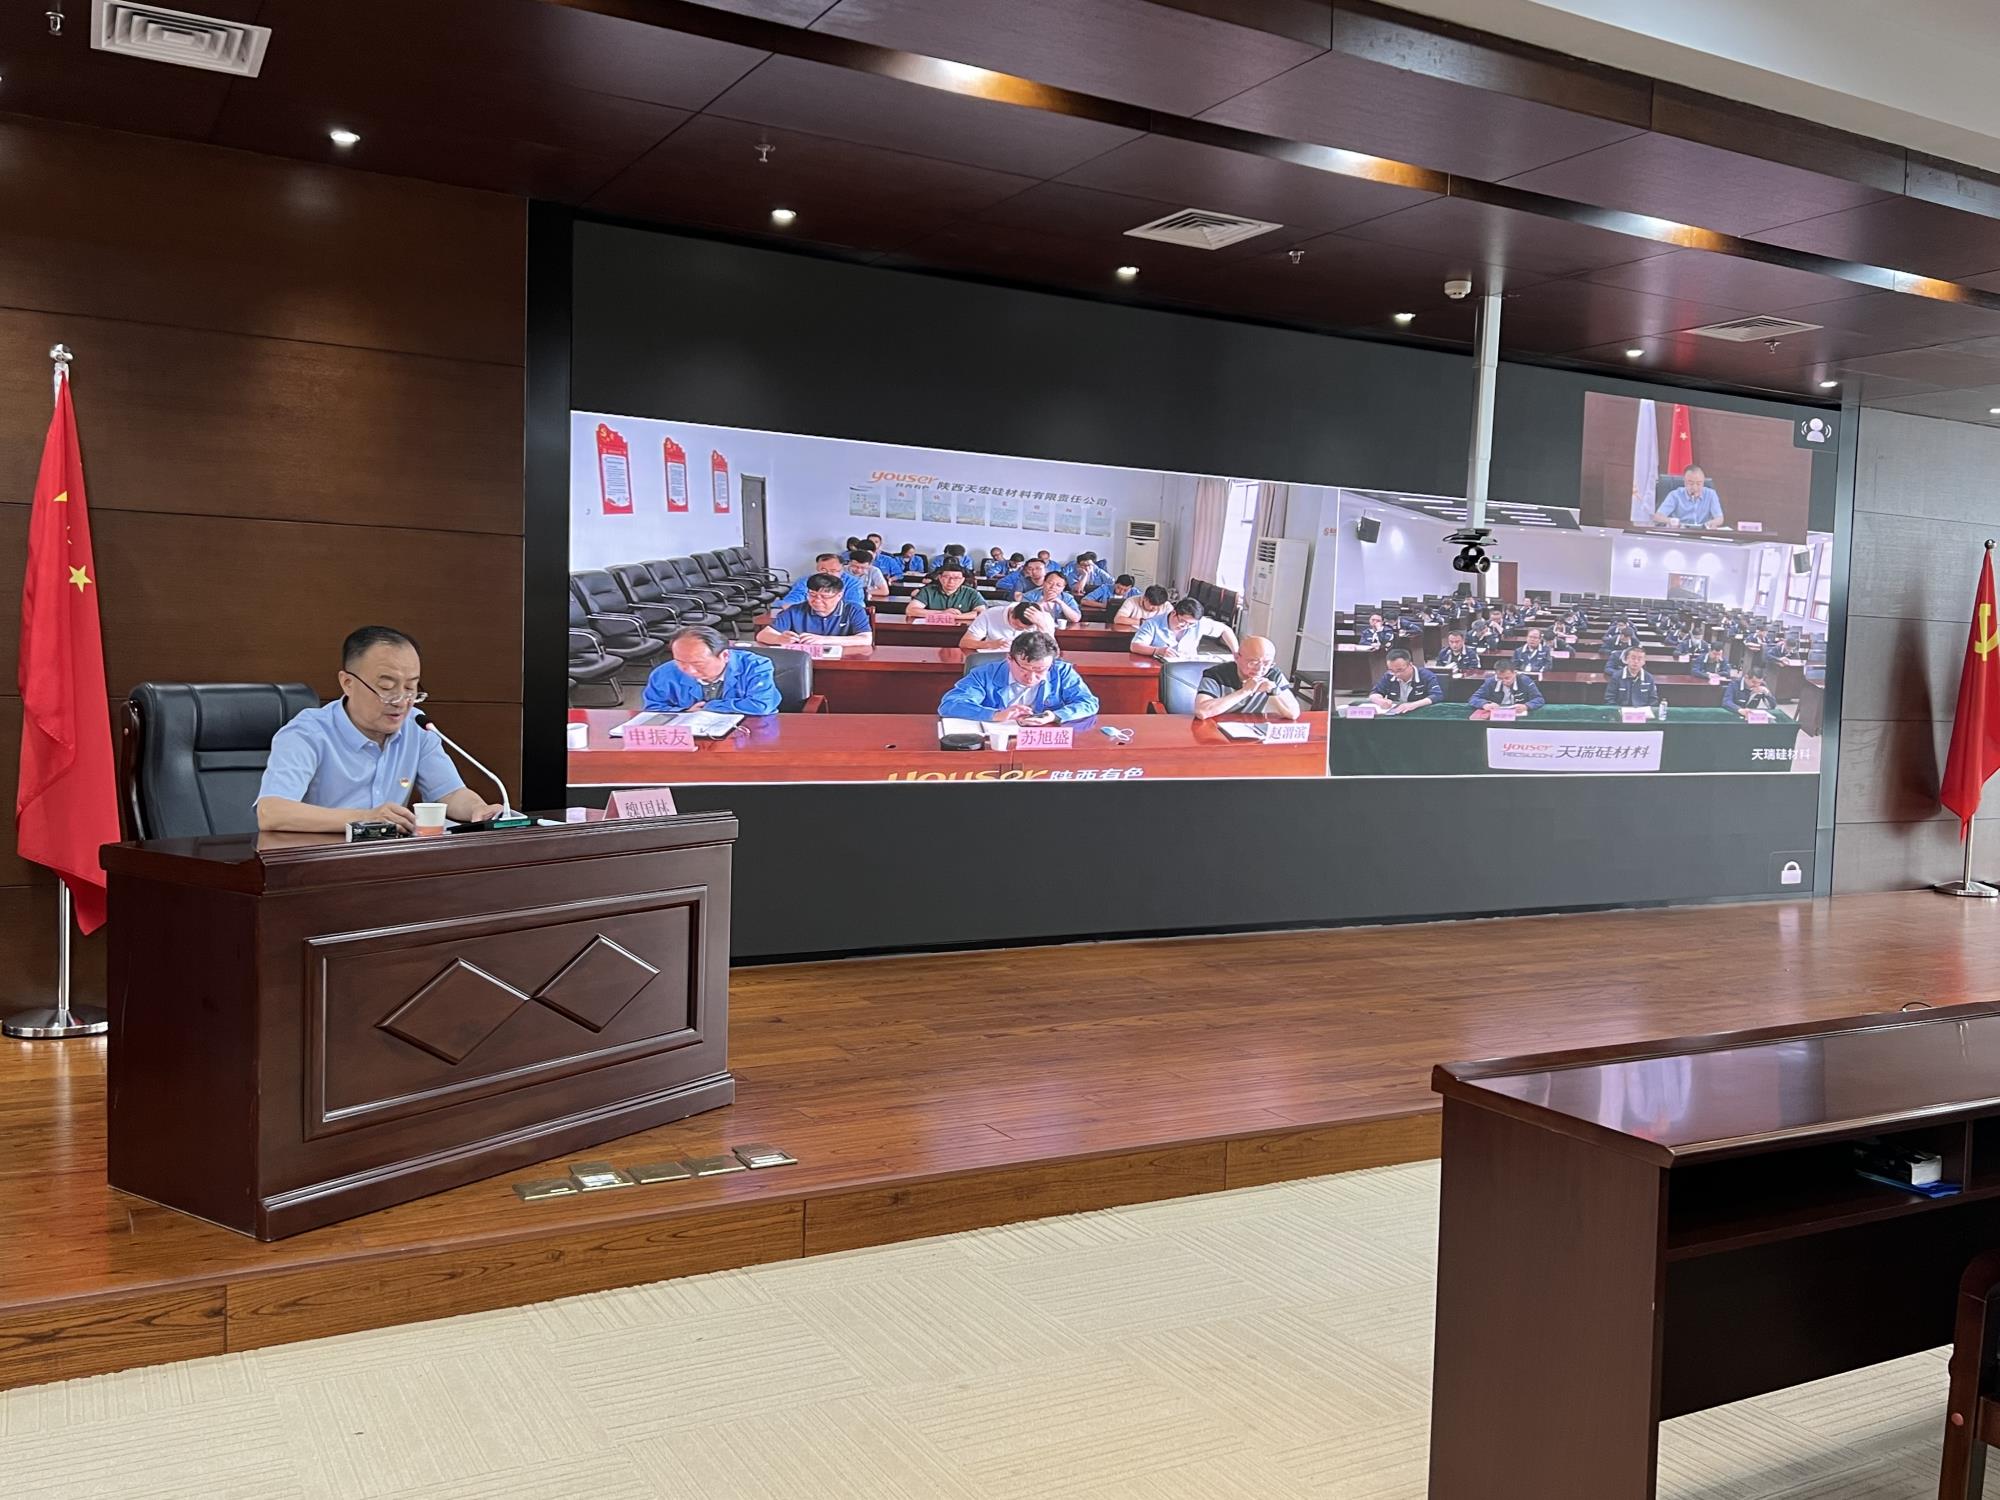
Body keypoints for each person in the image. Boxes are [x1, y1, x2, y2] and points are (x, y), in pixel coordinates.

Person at [255, 626, 504, 834]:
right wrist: (366, 818)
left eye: (411, 688)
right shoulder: (307, 733)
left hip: (387, 862)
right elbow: (272, 812)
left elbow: (450, 793)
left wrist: (478, 809)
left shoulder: (417, 727)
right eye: (386, 688)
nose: (401, 701)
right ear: (347, 683)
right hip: (319, 862)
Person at [939, 629, 1098, 724]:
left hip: (1041, 740)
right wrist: (995, 715)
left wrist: (1055, 716)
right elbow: (950, 705)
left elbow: (1088, 703)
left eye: (1040, 671)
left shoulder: (1061, 671)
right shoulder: (985, 674)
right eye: (1024, 669)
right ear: (1009, 659)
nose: (1031, 678)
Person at [643, 624, 782, 714]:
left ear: (725, 656)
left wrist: (708, 707)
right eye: (680, 661)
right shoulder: (663, 674)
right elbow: (652, 710)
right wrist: (684, 712)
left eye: (698, 663)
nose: (689, 670)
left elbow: (761, 705)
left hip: (749, 730)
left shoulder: (755, 666)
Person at [1193, 636, 1301, 720]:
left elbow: (1293, 714)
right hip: (1216, 729)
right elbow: (1202, 712)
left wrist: (1273, 691)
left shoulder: (1273, 675)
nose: (1260, 669)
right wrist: (1245, 691)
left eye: (1266, 663)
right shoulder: (1216, 675)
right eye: (1253, 663)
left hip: (1254, 728)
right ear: (1236, 657)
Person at [756, 572, 873, 646]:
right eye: (812, 595)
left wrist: (824, 640)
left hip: (843, 661)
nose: (817, 600)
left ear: (839, 595)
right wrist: (780, 639)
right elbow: (762, 635)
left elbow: (865, 639)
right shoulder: (795, 610)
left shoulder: (853, 610)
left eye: (824, 597)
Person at [1131, 597, 1238, 660]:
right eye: (1183, 621)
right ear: (1174, 613)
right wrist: (1157, 650)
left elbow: (1225, 630)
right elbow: (1135, 646)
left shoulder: (1198, 623)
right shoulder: (1152, 624)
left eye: (1190, 624)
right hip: (1160, 669)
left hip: (1188, 668)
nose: (1186, 626)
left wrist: (1236, 652)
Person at [776, 552, 867, 610]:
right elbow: (792, 600)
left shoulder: (853, 582)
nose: (828, 574)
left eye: (833, 571)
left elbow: (855, 606)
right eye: (823, 570)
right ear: (817, 569)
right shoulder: (805, 581)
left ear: (842, 570)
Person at [960, 598, 1061, 650]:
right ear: (1011, 612)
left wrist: (1042, 626)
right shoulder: (990, 614)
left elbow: (1054, 651)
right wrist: (991, 644)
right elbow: (964, 643)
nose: (1019, 630)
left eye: (1024, 629)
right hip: (995, 660)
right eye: (1016, 625)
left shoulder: (1045, 618)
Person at [1368, 649, 1442, 714]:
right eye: (1392, 670)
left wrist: (1413, 705)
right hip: (1397, 714)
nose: (1396, 674)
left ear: (1410, 665)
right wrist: (1379, 700)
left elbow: (1437, 695)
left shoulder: (1426, 675)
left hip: (1421, 713)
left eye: (1400, 670)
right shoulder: (1388, 676)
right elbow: (1374, 693)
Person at [906, 561, 984, 621]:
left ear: (962, 580)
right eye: (947, 577)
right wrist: (942, 613)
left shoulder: (971, 593)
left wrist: (953, 617)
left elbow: (980, 613)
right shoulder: (928, 591)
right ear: (940, 578)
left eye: (956, 578)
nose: (951, 581)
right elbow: (910, 610)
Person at [1656, 465, 1725, 529]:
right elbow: (1658, 517)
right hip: (1681, 531)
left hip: (1703, 532)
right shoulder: (1675, 495)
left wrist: (1712, 523)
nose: (1695, 487)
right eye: (1691, 483)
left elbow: (1719, 518)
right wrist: (1670, 521)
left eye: (1699, 483)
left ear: (1703, 482)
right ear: (1685, 482)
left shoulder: (1711, 494)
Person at [1468, 665, 1545, 714]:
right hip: (1497, 716)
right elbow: (1473, 698)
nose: (1504, 681)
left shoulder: (1525, 681)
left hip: (1518, 715)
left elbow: (1539, 699)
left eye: (1507, 678)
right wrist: (1485, 704)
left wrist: (1526, 706)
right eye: (1500, 678)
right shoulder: (1491, 682)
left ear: (1515, 673)